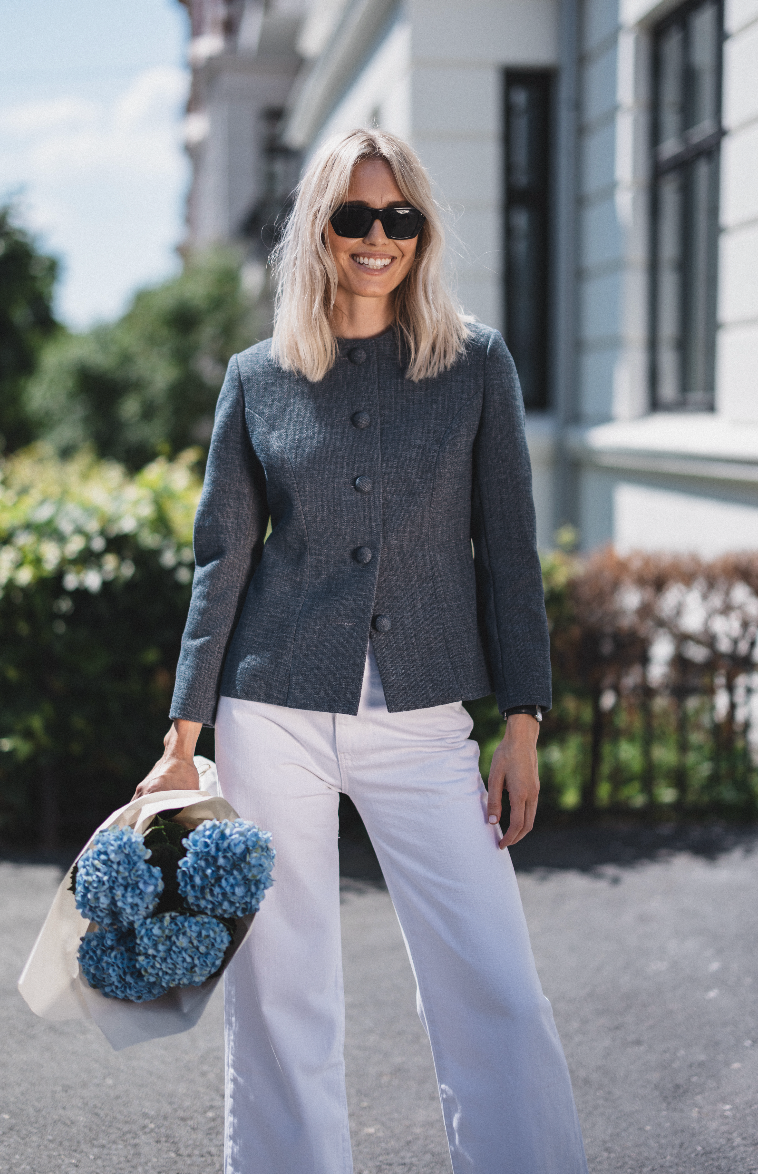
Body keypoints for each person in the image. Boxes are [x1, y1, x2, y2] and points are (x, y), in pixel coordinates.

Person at [135, 128, 588, 1174]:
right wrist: (182, 733)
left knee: (494, 984)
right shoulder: (258, 378)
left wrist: (521, 721)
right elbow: (222, 562)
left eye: (398, 217)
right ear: (319, 233)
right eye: (352, 217)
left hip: (425, 718)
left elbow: (507, 551)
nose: (376, 237)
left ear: (420, 231)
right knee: (280, 989)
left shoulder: (474, 365)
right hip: (271, 714)